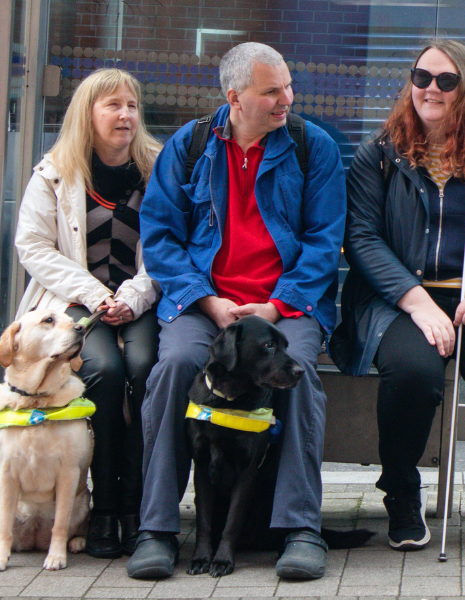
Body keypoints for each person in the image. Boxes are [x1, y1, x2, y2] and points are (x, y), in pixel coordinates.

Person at [128, 42, 346, 580]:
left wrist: (275, 307)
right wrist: (206, 300)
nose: (286, 100)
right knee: (175, 368)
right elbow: (159, 239)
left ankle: (300, 528)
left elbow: (325, 242)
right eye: (272, 91)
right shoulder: (191, 145)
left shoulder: (310, 147)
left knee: (295, 376)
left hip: (285, 307)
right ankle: (156, 529)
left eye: (288, 87)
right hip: (205, 305)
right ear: (235, 97)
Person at [330, 39, 465, 551]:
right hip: (399, 301)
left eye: (446, 81)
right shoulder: (379, 154)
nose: (430, 88)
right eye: (422, 76)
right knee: (412, 372)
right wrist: (416, 301)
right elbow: (361, 237)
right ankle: (403, 498)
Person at [13, 67, 161, 560]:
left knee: (146, 369)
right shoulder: (54, 172)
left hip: (142, 298)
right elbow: (32, 245)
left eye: (132, 106)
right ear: (87, 114)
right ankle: (104, 509)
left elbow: (170, 246)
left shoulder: (158, 169)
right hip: (76, 302)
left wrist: (133, 297)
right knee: (103, 368)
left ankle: (139, 507)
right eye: (113, 106)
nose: (126, 115)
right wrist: (97, 296)